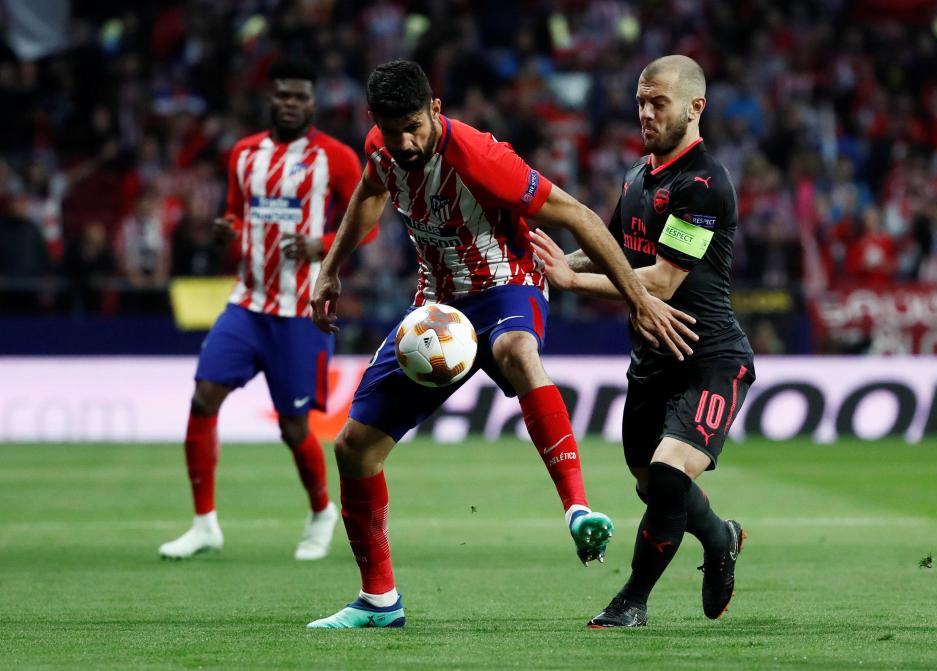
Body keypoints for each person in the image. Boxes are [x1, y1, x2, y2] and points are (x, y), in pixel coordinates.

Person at [306, 60, 697, 629]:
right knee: (353, 449)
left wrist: (636, 298)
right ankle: (379, 601)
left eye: (415, 126)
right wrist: (330, 270)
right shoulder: (383, 148)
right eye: (393, 131)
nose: (405, 141)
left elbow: (579, 216)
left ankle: (577, 509)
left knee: (516, 348)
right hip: (436, 311)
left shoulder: (483, 160)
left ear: (436, 110)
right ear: (375, 123)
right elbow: (371, 188)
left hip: (506, 287)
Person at [531, 54, 756, 628]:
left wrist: (570, 280)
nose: (647, 113)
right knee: (651, 484)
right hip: (653, 360)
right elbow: (616, 251)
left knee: (671, 475)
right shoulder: (638, 175)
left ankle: (631, 601)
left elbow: (659, 279)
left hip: (709, 356)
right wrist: (552, 262)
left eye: (659, 103)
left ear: (695, 108)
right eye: (641, 102)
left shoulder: (703, 185)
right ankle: (720, 537)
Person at [159, 57, 370, 561]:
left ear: (314, 103)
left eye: (299, 96)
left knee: (294, 428)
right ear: (270, 99)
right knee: (203, 398)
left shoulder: (336, 159)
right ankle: (205, 523)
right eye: (282, 95)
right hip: (247, 302)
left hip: (301, 310)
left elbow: (368, 221)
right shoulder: (244, 153)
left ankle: (321, 511)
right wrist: (226, 229)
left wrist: (322, 245)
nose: (289, 104)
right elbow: (235, 212)